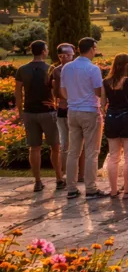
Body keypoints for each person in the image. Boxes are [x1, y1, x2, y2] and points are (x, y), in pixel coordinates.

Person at [15, 40, 63, 192]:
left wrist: (20, 112)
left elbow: (18, 93)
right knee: (55, 147)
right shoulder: (50, 69)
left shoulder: (22, 70)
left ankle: (37, 181)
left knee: (34, 148)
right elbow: (56, 91)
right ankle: (59, 179)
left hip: (29, 112)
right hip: (48, 112)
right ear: (43, 51)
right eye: (46, 49)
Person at [62, 37, 106, 199]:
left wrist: (73, 99)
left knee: (73, 151)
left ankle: (71, 188)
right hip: (89, 111)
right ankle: (91, 188)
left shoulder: (67, 67)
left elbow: (63, 90)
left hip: (73, 111)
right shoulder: (92, 69)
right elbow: (98, 92)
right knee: (91, 152)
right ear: (92, 49)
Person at [103, 54, 128, 199]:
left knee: (113, 156)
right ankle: (127, 190)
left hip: (112, 118)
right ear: (127, 65)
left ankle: (113, 190)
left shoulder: (105, 82)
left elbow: (102, 104)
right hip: (127, 119)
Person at [50, 43, 76, 184]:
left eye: (67, 55)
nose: (64, 58)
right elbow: (56, 91)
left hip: (73, 107)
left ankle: (76, 173)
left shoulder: (75, 68)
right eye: (61, 56)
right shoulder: (57, 71)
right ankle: (67, 173)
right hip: (65, 108)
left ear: (73, 54)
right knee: (66, 143)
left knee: (74, 143)